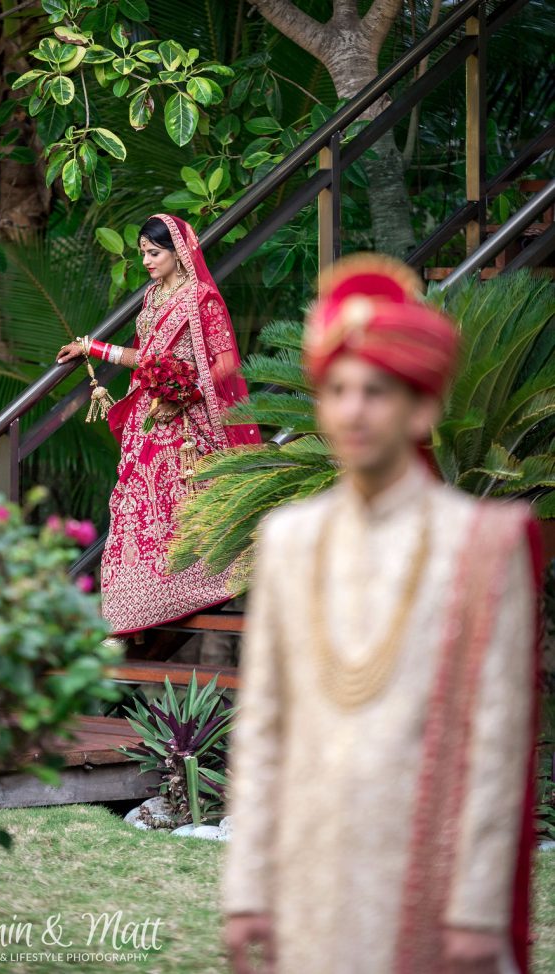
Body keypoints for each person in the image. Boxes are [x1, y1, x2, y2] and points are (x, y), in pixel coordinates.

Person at [222, 253, 541, 974]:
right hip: (308, 883)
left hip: (428, 888)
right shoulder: (286, 540)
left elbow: (498, 740)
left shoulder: (483, 544)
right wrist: (247, 891)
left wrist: (476, 910)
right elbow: (263, 727)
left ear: (421, 408)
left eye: (376, 391)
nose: (354, 410)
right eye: (336, 390)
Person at [56, 214, 259, 636]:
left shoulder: (202, 300)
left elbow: (225, 364)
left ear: (178, 251)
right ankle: (126, 609)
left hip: (186, 423)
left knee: (175, 505)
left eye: (155, 252)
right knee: (133, 506)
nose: (147, 261)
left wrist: (185, 394)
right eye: (143, 253)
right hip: (146, 419)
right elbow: (144, 360)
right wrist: (91, 346)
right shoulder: (151, 300)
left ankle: (185, 590)